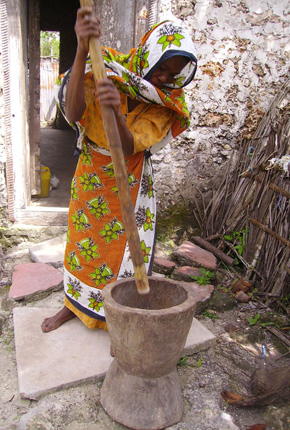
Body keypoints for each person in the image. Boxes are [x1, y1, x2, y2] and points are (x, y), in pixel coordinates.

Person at [41, 6, 197, 333]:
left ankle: (117, 318)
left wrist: (114, 111)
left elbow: (130, 145)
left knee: (120, 254)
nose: (166, 78)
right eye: (163, 68)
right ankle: (72, 304)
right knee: (82, 244)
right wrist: (83, 47)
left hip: (130, 179)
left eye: (173, 73)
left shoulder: (168, 102)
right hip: (92, 172)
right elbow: (72, 112)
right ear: (149, 54)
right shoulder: (108, 66)